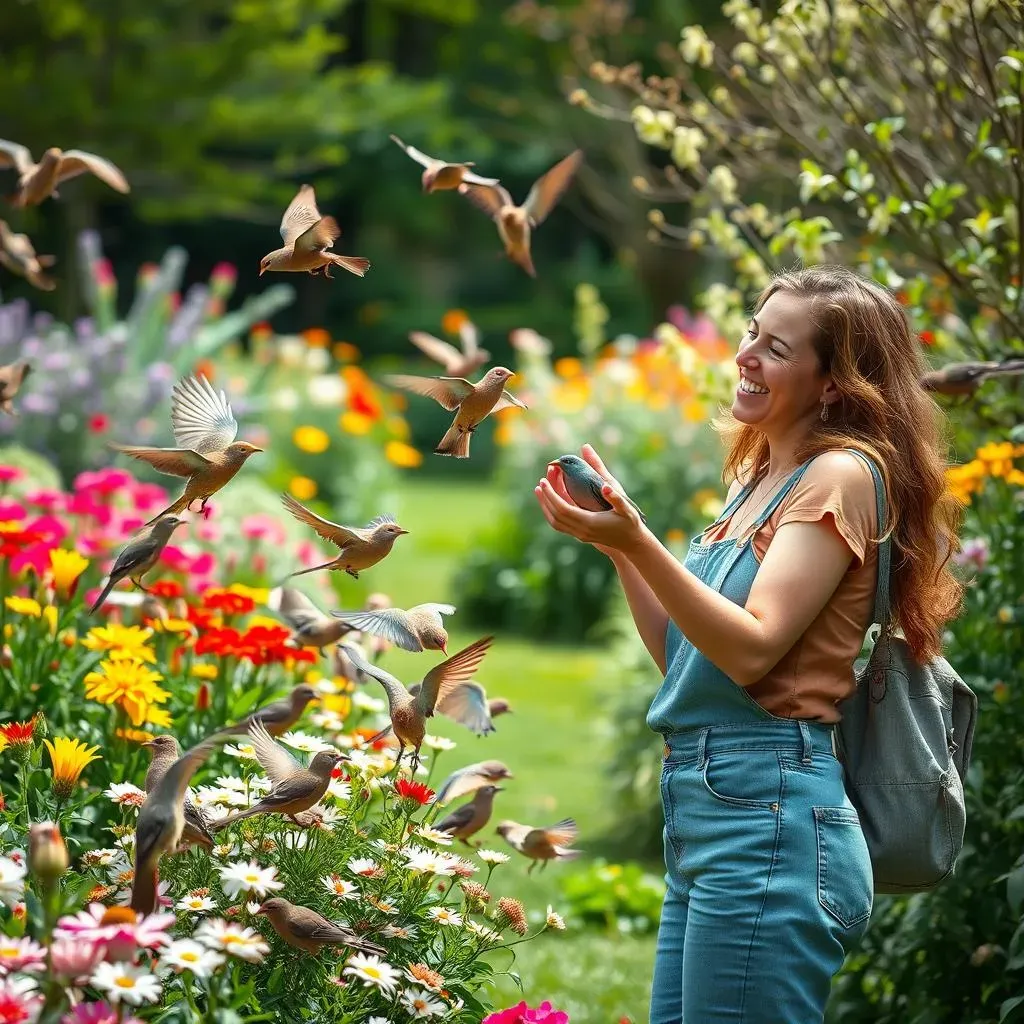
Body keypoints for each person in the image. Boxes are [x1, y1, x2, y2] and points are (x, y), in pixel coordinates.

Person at [534, 265, 963, 1024]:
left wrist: (641, 540)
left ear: (833, 383)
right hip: (711, 810)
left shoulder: (839, 477)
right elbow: (688, 657)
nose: (745, 357)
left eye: (777, 347)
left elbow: (755, 649)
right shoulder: (764, 477)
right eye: (750, 334)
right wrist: (622, 548)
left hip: (768, 816)